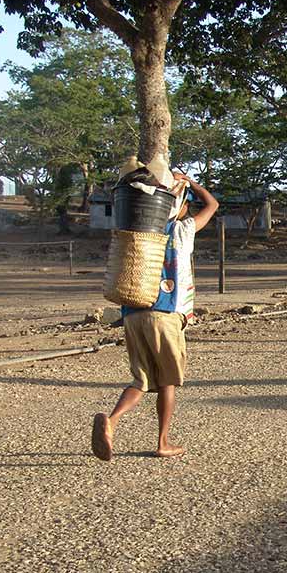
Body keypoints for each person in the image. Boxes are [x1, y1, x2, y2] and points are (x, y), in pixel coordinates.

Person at [91, 171, 218, 460]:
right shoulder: (181, 230)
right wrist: (190, 182)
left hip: (133, 313)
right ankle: (163, 442)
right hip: (166, 314)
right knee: (168, 382)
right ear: (180, 204)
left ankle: (111, 421)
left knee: (141, 380)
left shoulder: (136, 233)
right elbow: (212, 206)